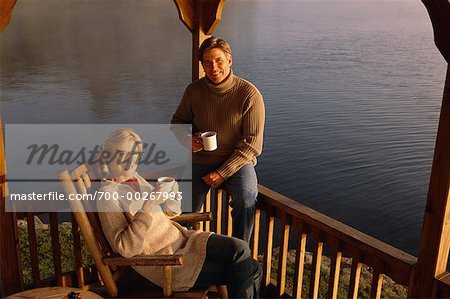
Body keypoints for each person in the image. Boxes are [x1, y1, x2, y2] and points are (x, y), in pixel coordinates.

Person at [96, 128, 261, 298]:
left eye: (134, 156)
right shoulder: (108, 196)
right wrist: (149, 205)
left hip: (184, 241)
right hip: (167, 263)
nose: (129, 162)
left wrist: (172, 194)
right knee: (249, 266)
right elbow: (126, 248)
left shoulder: (136, 179)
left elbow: (171, 213)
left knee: (245, 256)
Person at [171, 36, 265, 243]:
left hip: (237, 162)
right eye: (207, 62)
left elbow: (252, 145)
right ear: (202, 65)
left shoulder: (249, 94)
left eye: (219, 60)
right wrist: (187, 139)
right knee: (181, 206)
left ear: (229, 61)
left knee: (247, 198)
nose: (214, 67)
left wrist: (222, 173)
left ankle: (241, 253)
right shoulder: (194, 91)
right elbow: (177, 122)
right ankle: (180, 250)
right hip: (200, 159)